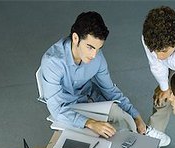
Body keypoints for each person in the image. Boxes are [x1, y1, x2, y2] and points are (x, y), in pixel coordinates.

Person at [40, 11, 147, 139]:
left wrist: (136, 116)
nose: (94, 55)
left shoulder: (97, 57)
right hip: (66, 109)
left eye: (98, 48)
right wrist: (90, 123)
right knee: (102, 138)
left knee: (126, 119)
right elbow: (56, 110)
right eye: (90, 47)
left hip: (90, 100)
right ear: (75, 38)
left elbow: (110, 90)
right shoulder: (52, 62)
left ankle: (143, 141)